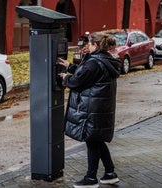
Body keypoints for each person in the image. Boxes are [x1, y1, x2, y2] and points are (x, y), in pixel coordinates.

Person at [58, 31, 121, 188]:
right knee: (97, 140)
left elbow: (78, 81)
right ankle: (110, 173)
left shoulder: (94, 62)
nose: (88, 46)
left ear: (96, 45)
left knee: (92, 141)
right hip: (101, 108)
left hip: (92, 109)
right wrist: (70, 66)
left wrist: (65, 77)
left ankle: (91, 178)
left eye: (90, 43)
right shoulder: (106, 59)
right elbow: (87, 75)